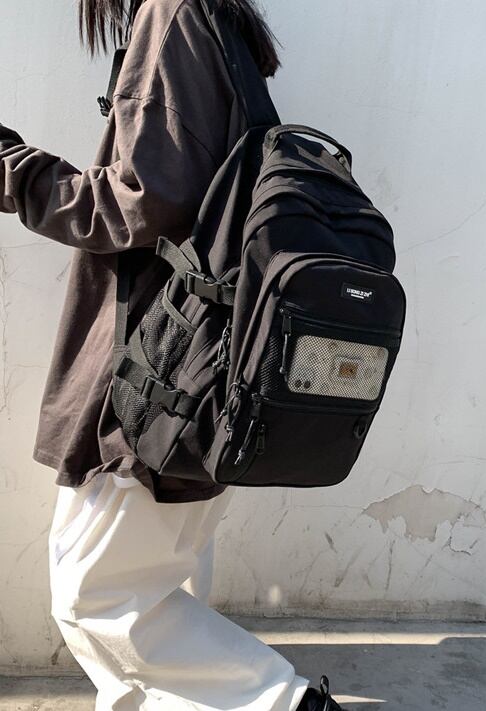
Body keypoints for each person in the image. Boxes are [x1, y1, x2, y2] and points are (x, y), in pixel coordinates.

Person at [0, 0, 343, 709]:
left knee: (95, 596)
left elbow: (135, 205)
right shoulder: (211, 21)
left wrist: (13, 170)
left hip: (159, 373)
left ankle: (288, 705)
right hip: (208, 367)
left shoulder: (173, 15)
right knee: (160, 586)